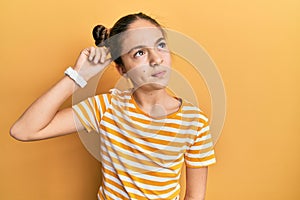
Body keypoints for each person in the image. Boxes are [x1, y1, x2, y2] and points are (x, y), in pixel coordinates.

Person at [10, 12, 216, 200]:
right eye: (139, 53)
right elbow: (24, 130)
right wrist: (77, 76)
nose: (156, 59)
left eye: (160, 45)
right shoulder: (106, 107)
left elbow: (195, 197)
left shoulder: (195, 122)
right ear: (121, 69)